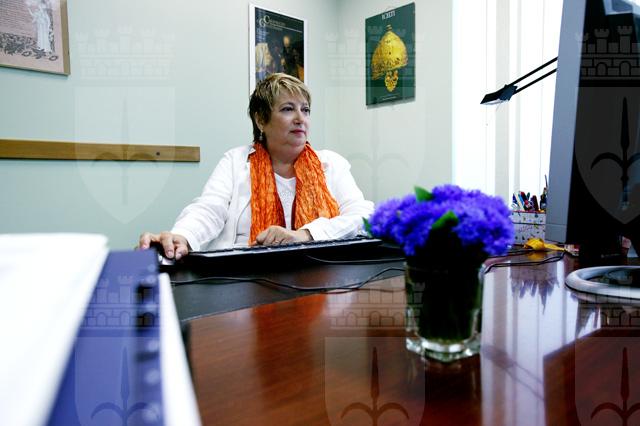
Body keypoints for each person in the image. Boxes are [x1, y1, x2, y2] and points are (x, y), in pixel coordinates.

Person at [138, 73, 373, 259]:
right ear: (261, 119)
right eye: (288, 109)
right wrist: (183, 235)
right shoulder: (235, 161)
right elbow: (209, 209)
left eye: (305, 109)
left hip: (321, 275)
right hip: (243, 277)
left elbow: (363, 216)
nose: (300, 118)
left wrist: (305, 235)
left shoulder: (332, 164)